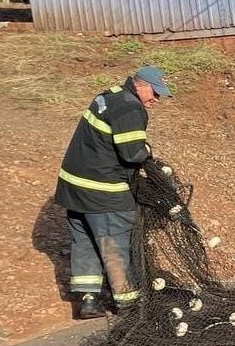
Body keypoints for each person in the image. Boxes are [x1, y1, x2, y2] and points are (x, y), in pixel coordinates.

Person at [55, 66, 171, 319]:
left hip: (74, 188)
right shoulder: (130, 107)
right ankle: (127, 304)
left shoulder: (109, 96)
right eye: (154, 92)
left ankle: (88, 301)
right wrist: (149, 152)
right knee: (114, 243)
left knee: (84, 241)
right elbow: (133, 153)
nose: (156, 99)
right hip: (103, 191)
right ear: (139, 85)